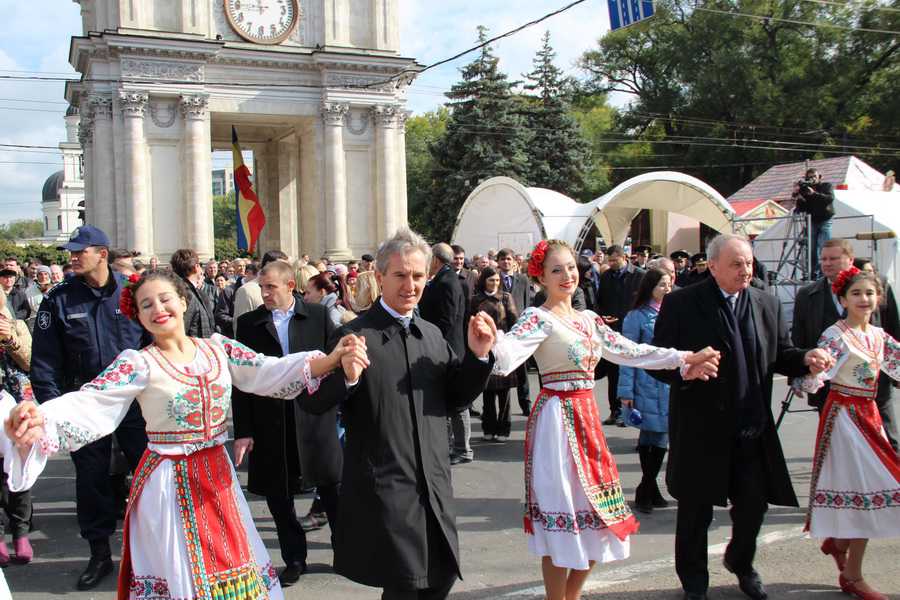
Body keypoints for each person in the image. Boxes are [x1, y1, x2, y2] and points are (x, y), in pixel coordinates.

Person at [6, 269, 365, 600]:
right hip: (168, 481)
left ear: (183, 300)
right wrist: (39, 418)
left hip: (217, 476)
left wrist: (332, 359)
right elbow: (93, 402)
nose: (157, 309)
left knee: (229, 567)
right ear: (139, 315)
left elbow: (268, 372)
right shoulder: (138, 362)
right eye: (146, 304)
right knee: (183, 575)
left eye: (164, 299)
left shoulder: (217, 349)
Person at [488, 239, 719, 600]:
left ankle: (572, 595)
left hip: (587, 421)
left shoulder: (589, 320)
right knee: (560, 518)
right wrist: (488, 342)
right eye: (556, 270)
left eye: (570, 267)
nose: (567, 275)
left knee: (600, 518)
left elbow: (631, 351)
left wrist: (683, 358)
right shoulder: (538, 318)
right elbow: (507, 354)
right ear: (540, 278)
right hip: (556, 423)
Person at [303, 227, 495, 600]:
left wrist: (478, 356)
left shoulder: (432, 335)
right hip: (387, 486)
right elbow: (313, 402)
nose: (410, 285)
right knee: (406, 585)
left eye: (419, 276)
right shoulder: (355, 335)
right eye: (400, 275)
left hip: (434, 482)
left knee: (440, 578)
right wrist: (347, 377)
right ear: (379, 277)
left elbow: (455, 398)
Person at [651, 233, 833, 600]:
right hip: (701, 427)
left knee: (753, 505)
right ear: (713, 266)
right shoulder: (683, 303)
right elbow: (659, 359)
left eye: (748, 263)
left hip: (751, 426)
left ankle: (740, 560)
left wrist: (805, 358)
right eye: (736, 264)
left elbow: (781, 352)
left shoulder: (765, 302)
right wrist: (686, 369)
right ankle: (694, 582)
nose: (745, 270)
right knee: (695, 512)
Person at [28, 225, 148, 590]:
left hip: (134, 403)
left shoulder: (133, 293)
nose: (73, 256)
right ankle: (99, 554)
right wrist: (55, 413)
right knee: (91, 481)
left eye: (81, 251)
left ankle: (149, 551)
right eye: (72, 251)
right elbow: (45, 362)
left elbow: (156, 343)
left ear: (102, 253)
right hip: (84, 405)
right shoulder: (59, 299)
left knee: (148, 475)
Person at [231, 261, 343, 587]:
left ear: (290, 285)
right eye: (261, 287)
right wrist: (245, 431)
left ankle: (344, 549)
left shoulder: (318, 317)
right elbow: (242, 379)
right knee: (279, 497)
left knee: (331, 488)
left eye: (270, 287)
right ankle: (294, 557)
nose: (264, 293)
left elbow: (334, 362)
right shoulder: (249, 324)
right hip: (270, 422)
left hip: (314, 418)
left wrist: (336, 405)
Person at [793, 267, 900, 600]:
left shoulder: (879, 337)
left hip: (869, 416)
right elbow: (818, 377)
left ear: (878, 298)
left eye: (869, 293)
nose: (864, 299)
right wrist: (809, 375)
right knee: (868, 490)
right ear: (842, 299)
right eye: (855, 294)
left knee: (873, 488)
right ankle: (852, 575)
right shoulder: (836, 335)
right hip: (844, 420)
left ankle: (839, 544)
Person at [618, 268, 674, 514]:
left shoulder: (673, 312)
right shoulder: (636, 317)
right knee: (651, 435)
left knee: (662, 436)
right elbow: (627, 356)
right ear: (650, 287)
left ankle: (648, 486)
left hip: (669, 382)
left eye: (669, 284)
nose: (667, 289)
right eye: (662, 284)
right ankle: (647, 488)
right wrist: (626, 391)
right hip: (645, 380)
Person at [420, 243, 471, 464]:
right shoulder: (442, 280)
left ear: (436, 260)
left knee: (457, 402)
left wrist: (431, 339)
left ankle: (462, 449)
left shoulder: (448, 282)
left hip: (448, 348)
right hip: (445, 346)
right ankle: (454, 445)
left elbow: (447, 320)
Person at [0, 291, 33, 565]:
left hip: (16, 407)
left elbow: (30, 362)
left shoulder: (17, 325)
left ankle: (21, 534)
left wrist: (9, 338)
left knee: (19, 470)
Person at [597, 244, 645, 426]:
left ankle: (631, 413)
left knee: (633, 374)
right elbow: (600, 301)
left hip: (633, 331)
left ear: (624, 257)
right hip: (613, 331)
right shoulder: (607, 276)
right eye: (609, 261)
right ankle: (614, 411)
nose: (611, 264)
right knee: (613, 374)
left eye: (614, 260)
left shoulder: (639, 276)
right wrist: (602, 318)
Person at [468, 267, 518, 442]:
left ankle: (504, 429)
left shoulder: (506, 297)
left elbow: (514, 321)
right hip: (484, 345)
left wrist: (508, 342)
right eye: (491, 280)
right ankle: (488, 428)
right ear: (483, 281)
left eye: (497, 280)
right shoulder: (475, 300)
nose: (495, 283)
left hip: (502, 346)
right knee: (487, 390)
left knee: (504, 393)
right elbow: (470, 321)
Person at [497, 248, 534, 416]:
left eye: (509, 259)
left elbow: (527, 303)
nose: (506, 261)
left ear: (514, 262)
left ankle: (525, 403)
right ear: (498, 262)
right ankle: (504, 410)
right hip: (501, 329)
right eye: (503, 259)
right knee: (502, 369)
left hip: (520, 329)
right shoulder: (495, 279)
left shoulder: (523, 280)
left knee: (522, 369)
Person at [792, 168, 835, 278]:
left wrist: (814, 193)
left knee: (823, 245)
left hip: (825, 219)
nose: (811, 179)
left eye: (814, 176)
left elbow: (829, 199)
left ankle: (824, 272)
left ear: (819, 177)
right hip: (812, 220)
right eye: (809, 177)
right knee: (811, 248)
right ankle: (813, 273)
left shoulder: (826, 186)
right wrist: (798, 196)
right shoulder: (805, 189)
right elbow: (802, 208)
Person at [170, 248, 217, 338]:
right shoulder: (187, 294)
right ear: (196, 267)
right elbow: (182, 330)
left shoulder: (191, 291)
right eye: (200, 265)